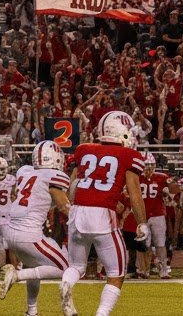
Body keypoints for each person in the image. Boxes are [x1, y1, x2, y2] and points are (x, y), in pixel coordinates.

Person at [58, 111, 148, 316]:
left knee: (77, 266)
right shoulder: (128, 155)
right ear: (122, 132)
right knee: (117, 273)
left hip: (77, 211)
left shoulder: (84, 149)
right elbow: (134, 194)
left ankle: (66, 282)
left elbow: (72, 183)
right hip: (103, 215)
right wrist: (142, 223)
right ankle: (102, 313)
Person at [0, 141, 72, 316]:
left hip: (10, 229)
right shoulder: (53, 176)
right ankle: (16, 275)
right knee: (66, 267)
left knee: (33, 267)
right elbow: (63, 206)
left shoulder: (25, 172)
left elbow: (23, 196)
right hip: (28, 234)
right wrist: (79, 219)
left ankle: (31, 312)